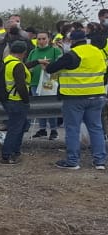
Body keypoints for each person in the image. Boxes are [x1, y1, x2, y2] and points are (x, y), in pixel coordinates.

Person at [42, 30, 106, 170]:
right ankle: (100, 161)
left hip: (75, 98)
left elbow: (51, 69)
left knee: (72, 129)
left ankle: (72, 161)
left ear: (71, 41)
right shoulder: (97, 52)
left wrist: (47, 66)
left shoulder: (72, 55)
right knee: (96, 129)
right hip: (97, 96)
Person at [0, 42, 32, 164]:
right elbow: (21, 85)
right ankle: (7, 155)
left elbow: (22, 67)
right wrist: (26, 100)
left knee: (19, 126)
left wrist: (37, 62)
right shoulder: (17, 65)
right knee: (15, 129)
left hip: (8, 99)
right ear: (24, 53)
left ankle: (14, 152)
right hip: (17, 100)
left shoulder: (7, 61)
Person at [26, 32, 62, 140]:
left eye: (43, 39)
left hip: (49, 82)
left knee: (50, 106)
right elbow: (29, 65)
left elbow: (60, 65)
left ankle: (54, 129)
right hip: (35, 82)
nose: (41, 41)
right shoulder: (33, 52)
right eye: (39, 39)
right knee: (39, 107)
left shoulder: (55, 51)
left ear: (49, 39)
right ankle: (42, 129)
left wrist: (48, 68)